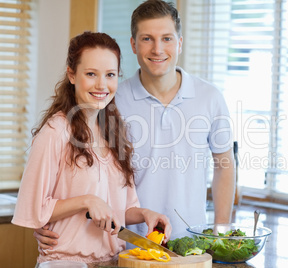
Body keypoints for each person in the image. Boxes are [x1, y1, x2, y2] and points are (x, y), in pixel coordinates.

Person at [34, 0, 235, 249]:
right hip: (124, 244)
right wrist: (43, 221)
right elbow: (71, 168)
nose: (158, 49)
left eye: (167, 39)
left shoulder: (210, 97)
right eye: (147, 38)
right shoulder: (109, 100)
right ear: (133, 44)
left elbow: (224, 165)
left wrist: (221, 232)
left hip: (191, 242)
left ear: (180, 43)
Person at [11, 31, 172, 265]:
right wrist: (86, 200)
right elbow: (32, 207)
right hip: (65, 262)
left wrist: (146, 214)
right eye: (90, 74)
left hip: (113, 261)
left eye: (110, 75)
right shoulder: (56, 131)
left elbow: (120, 210)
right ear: (72, 75)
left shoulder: (115, 133)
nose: (101, 85)